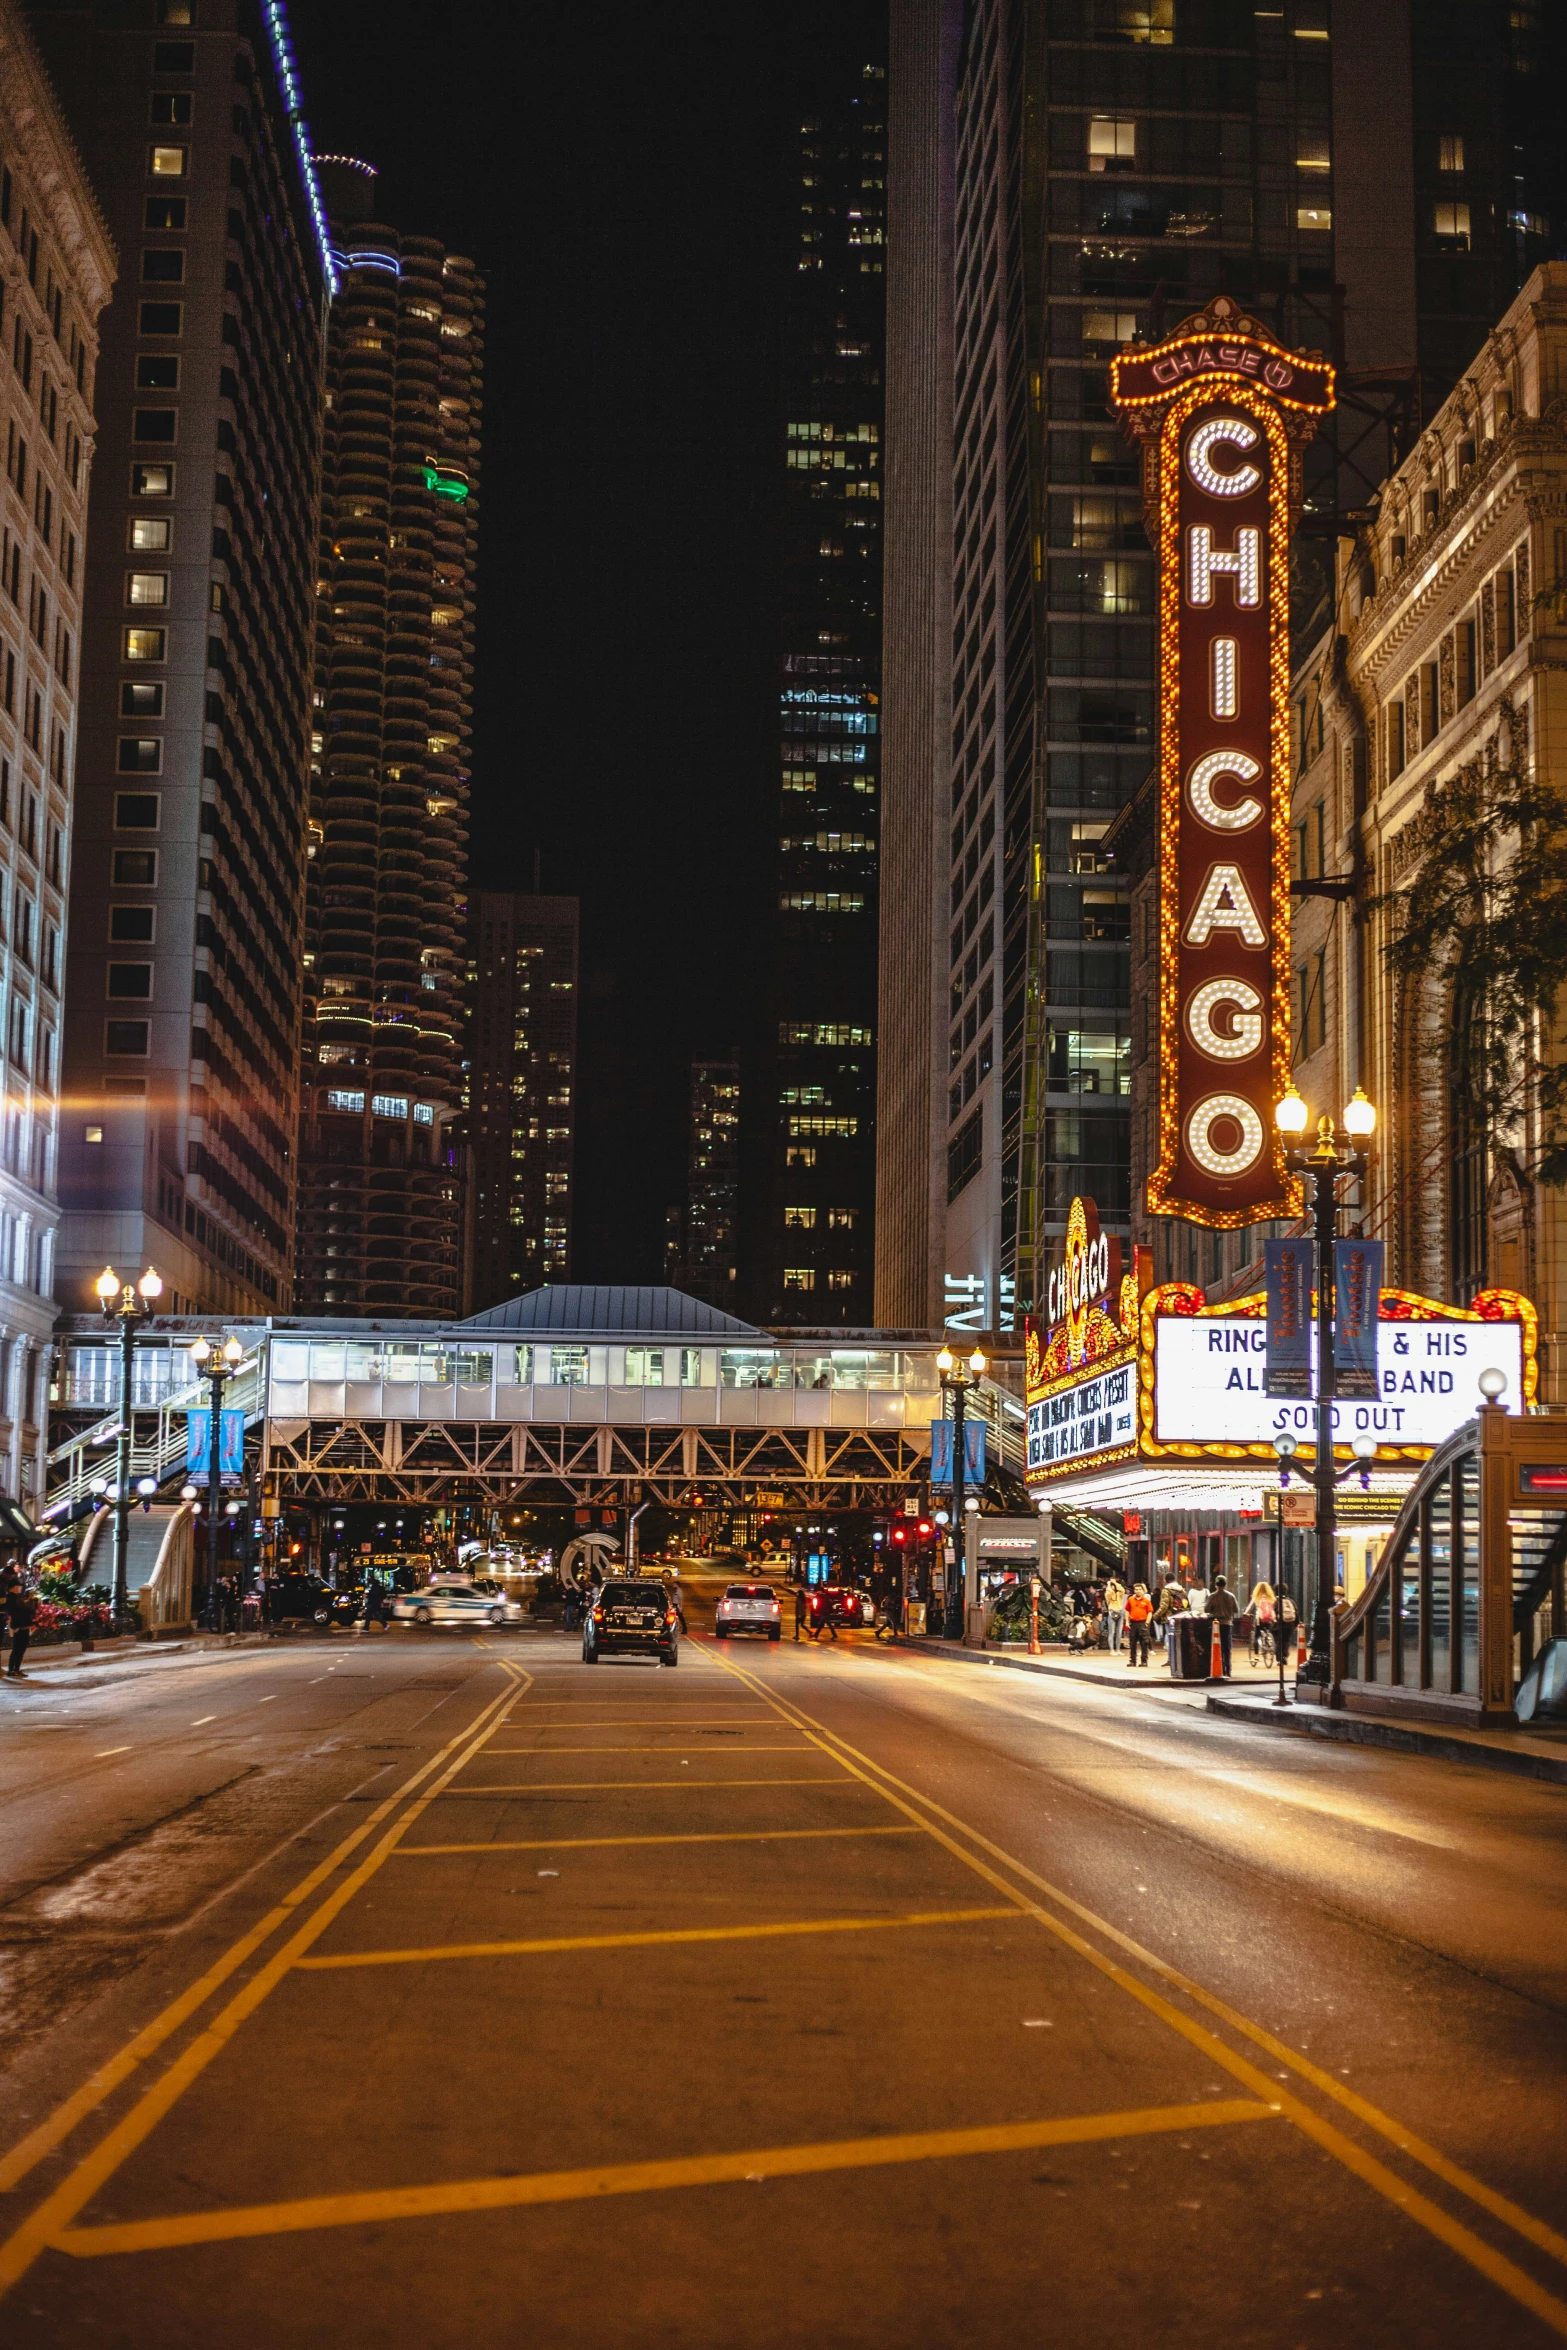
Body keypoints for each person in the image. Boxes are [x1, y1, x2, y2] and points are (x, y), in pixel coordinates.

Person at [1207, 1573, 1240, 1677]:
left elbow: (1206, 1609)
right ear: (1225, 1584)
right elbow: (1236, 1610)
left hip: (1216, 1625)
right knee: (1227, 1648)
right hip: (1228, 1624)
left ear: (1216, 1584)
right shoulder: (1231, 1596)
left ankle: (1219, 1668)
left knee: (1217, 1648)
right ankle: (1228, 1670)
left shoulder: (1212, 1596)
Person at [5, 1569, 36, 1679]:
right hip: (19, 1625)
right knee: (17, 1649)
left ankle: (16, 1669)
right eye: (18, 1586)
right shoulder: (13, 1598)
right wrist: (30, 1601)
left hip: (23, 1625)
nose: (20, 1588)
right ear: (14, 1587)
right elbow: (25, 1609)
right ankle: (12, 1669)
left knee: (21, 1649)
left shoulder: (17, 1598)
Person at [1153, 1574, 1187, 1669]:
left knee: (1168, 1639)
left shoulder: (1166, 1590)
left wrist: (1156, 1615)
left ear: (1165, 1580)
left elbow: (1164, 1605)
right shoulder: (1181, 1589)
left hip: (1169, 1618)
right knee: (1178, 1639)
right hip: (1180, 1617)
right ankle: (1178, 1659)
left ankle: (1171, 1659)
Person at [1124, 1581, 1154, 1667]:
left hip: (1143, 1623)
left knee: (1144, 1643)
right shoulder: (1130, 1600)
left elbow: (1150, 1612)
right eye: (1136, 1589)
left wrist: (1147, 1623)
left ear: (1142, 1590)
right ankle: (1133, 1661)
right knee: (1132, 1643)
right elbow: (1127, 1610)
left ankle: (1144, 1661)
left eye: (1139, 1589)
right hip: (1133, 1623)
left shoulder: (1146, 1601)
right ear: (1134, 1590)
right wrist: (1126, 1621)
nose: (1138, 1591)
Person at [1249, 1578, 1276, 1664]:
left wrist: (1246, 1613)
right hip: (1269, 1619)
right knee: (1267, 1630)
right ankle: (1268, 1641)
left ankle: (1256, 1656)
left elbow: (1250, 1607)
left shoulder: (1256, 1597)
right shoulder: (1271, 1598)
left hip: (1260, 1619)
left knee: (1256, 1636)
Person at [1103, 1574, 1127, 1654]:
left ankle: (1118, 1650)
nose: (1113, 1587)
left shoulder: (1119, 1594)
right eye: (1112, 1586)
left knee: (1119, 1632)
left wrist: (1115, 1583)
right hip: (1112, 1612)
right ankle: (1112, 1650)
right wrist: (1109, 1584)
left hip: (1119, 1611)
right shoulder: (1108, 1595)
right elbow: (1108, 1591)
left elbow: (1122, 1590)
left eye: (1114, 1586)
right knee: (1112, 1632)